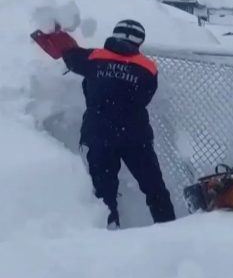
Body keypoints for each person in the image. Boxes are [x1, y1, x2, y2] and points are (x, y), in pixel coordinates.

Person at [38, 20, 175, 229]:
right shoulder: (148, 68)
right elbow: (145, 96)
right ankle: (169, 229)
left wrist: (53, 31)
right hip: (135, 135)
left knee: (104, 192)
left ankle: (109, 233)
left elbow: (68, 54)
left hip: (98, 133)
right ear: (139, 42)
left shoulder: (93, 57)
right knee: (154, 187)